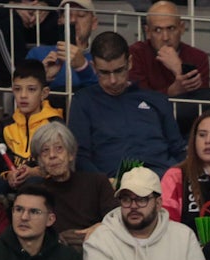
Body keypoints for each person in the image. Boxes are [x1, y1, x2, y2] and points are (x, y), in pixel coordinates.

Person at [68, 31, 186, 176]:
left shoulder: (156, 100)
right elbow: (80, 157)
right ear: (93, 67)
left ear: (129, 63)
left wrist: (175, 180)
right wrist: (103, 185)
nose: (113, 80)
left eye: (119, 71)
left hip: (161, 180)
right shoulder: (83, 101)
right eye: (104, 72)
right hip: (113, 185)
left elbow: (178, 150)